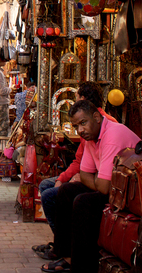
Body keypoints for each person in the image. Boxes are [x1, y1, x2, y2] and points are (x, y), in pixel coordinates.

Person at [41, 100, 140, 273]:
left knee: (83, 202)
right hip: (113, 186)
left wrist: (96, 180)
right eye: (76, 126)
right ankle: (66, 255)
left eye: (83, 123)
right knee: (65, 191)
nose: (80, 130)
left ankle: (82, 265)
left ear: (96, 117)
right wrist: (97, 180)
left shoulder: (112, 134)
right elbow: (85, 173)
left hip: (131, 192)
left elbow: (102, 187)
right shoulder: (90, 138)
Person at [33, 82, 116, 261]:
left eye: (77, 98)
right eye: (77, 126)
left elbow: (102, 183)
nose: (80, 130)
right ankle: (64, 244)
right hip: (96, 178)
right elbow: (82, 164)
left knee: (58, 195)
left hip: (108, 183)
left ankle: (68, 247)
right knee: (54, 187)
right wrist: (69, 177)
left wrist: (80, 178)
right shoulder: (90, 129)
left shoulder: (105, 127)